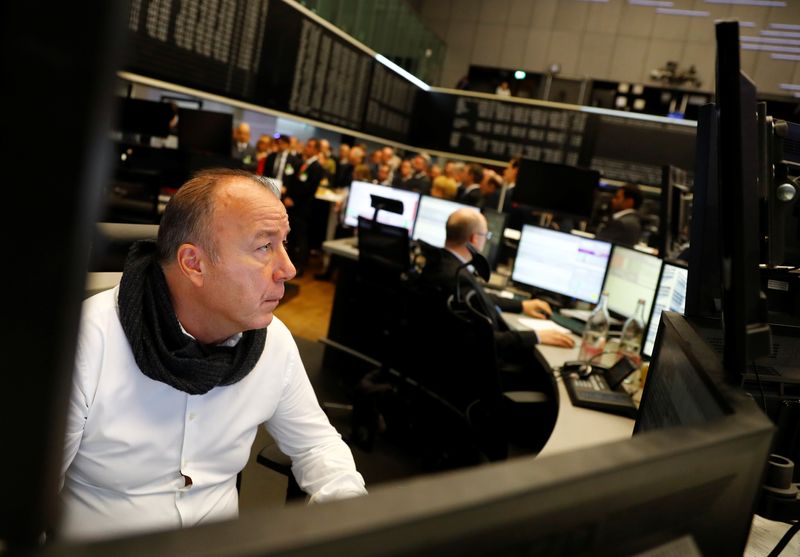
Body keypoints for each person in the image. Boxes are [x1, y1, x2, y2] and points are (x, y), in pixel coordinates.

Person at [61, 169, 367, 541]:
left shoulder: (272, 341)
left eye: (284, 244)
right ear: (194, 263)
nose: (288, 269)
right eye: (264, 247)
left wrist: (353, 524)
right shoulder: (88, 341)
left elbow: (317, 446)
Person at [421, 208, 575, 354]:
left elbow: (480, 299)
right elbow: (484, 341)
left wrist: (521, 305)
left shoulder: (442, 263)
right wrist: (537, 336)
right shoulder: (459, 278)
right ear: (474, 238)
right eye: (485, 235)